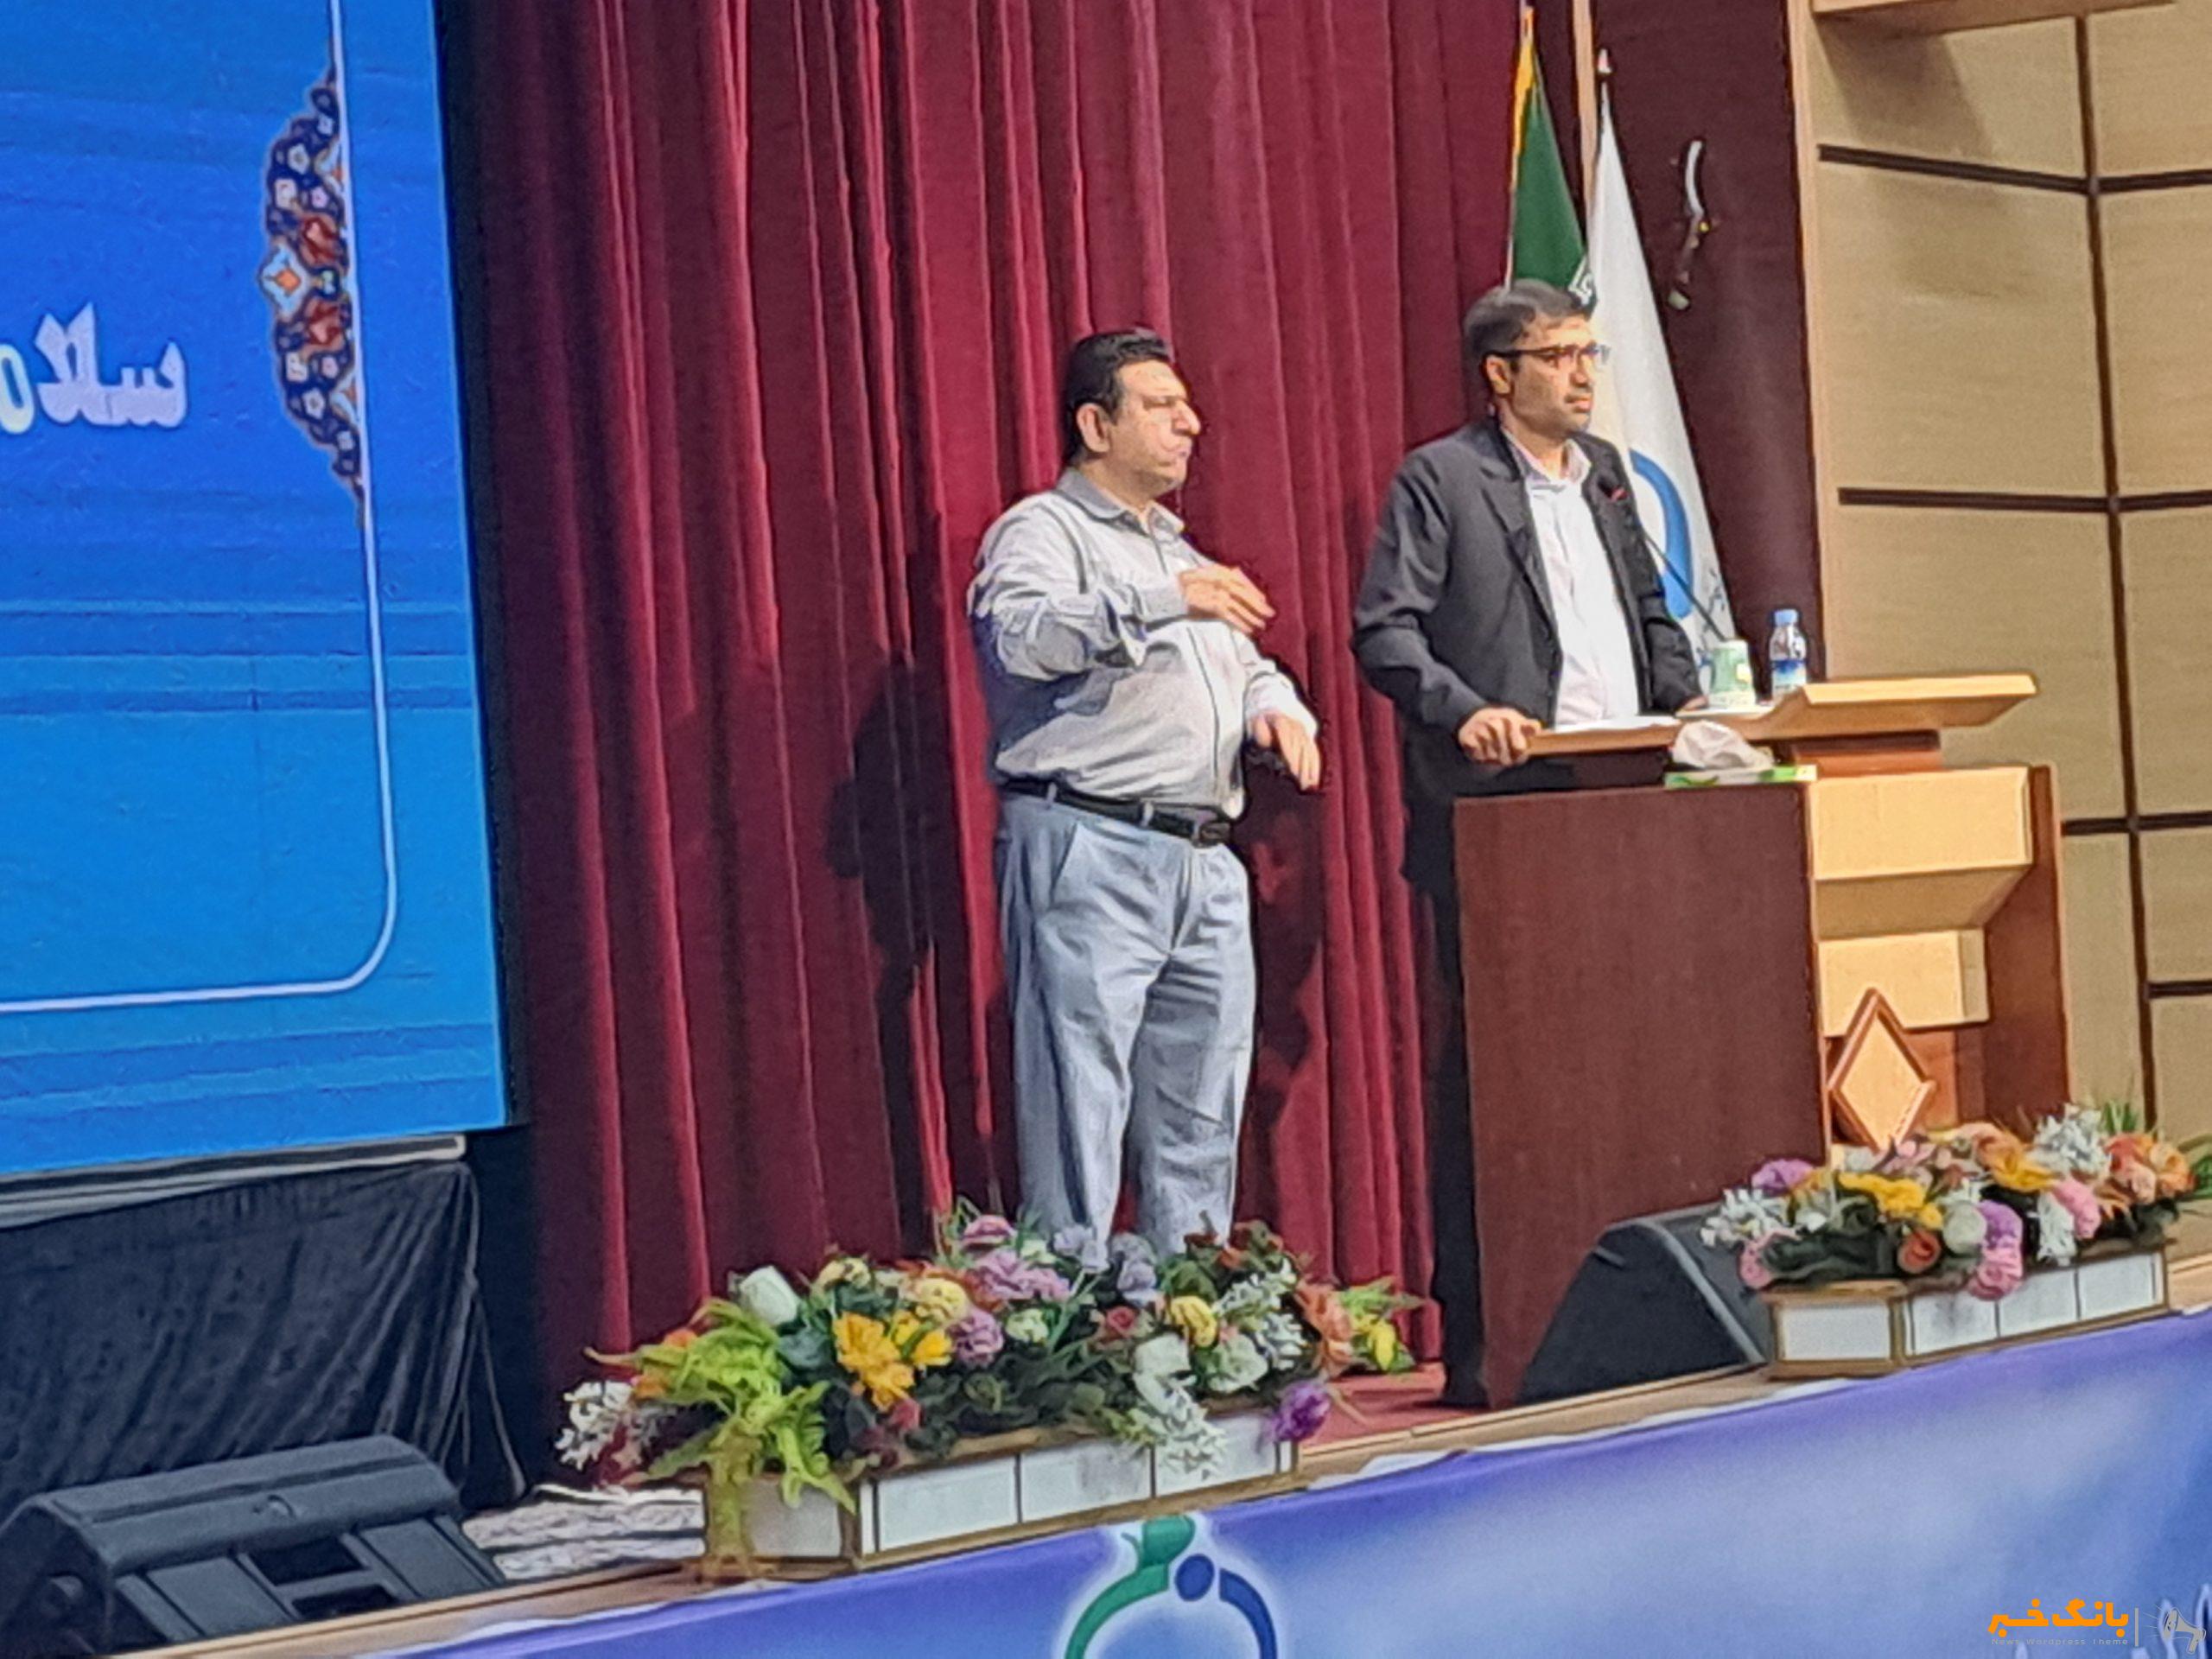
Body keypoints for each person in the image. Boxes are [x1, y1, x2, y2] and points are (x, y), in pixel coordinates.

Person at [1351, 279, 1700, 1404]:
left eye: (1590, 352)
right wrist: (1466, 712)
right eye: (1559, 356)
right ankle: (1494, 1336)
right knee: (1504, 1080)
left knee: (1631, 1063)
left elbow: (1652, 620)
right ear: (1500, 375)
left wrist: (1688, 707)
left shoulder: (1604, 477)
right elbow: (1385, 632)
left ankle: (1648, 1308)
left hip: (1621, 806)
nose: (1583, 374)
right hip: (1503, 818)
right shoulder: (1442, 479)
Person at [969, 328, 1321, 1263]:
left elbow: (1243, 664)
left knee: (1202, 1108)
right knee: (1079, 1100)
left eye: (1186, 405)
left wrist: (1276, 708)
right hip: (1091, 841)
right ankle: (1069, 1306)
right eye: (1162, 407)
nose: (1190, 423)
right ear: (1096, 425)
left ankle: (1188, 1311)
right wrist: (1165, 599)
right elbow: (1020, 640)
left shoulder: (1176, 547)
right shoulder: (1043, 531)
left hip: (1203, 860)